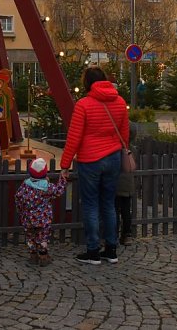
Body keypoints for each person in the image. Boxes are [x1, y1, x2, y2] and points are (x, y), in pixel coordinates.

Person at [60, 66, 129, 265]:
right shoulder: (120, 102)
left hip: (90, 160)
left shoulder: (84, 104)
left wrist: (65, 165)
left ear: (87, 82)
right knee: (108, 203)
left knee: (90, 205)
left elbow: (74, 137)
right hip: (113, 158)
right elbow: (124, 134)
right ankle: (111, 249)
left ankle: (92, 251)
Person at [15, 157, 68, 266]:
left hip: (27, 219)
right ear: (45, 173)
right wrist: (62, 178)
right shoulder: (47, 187)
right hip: (43, 220)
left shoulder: (25, 186)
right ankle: (43, 257)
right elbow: (59, 190)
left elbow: (18, 198)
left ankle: (33, 256)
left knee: (30, 237)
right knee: (42, 238)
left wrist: (20, 211)